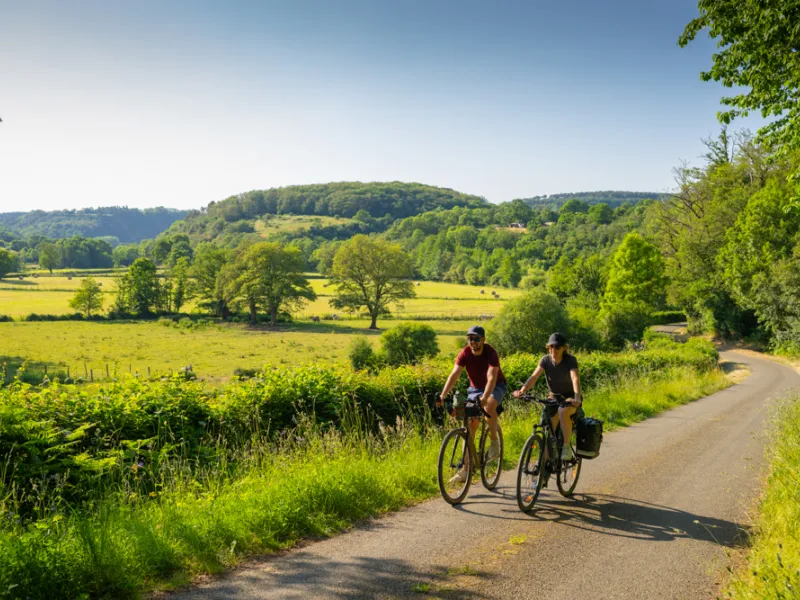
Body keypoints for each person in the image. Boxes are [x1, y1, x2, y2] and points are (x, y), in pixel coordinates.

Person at [438, 325, 507, 482]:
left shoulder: (491, 353)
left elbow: (492, 378)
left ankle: (494, 443)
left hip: (496, 386)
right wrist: (443, 394)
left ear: (483, 340)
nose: (472, 342)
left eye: (476, 339)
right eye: (470, 338)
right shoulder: (465, 353)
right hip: (475, 389)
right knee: (469, 426)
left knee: (489, 405)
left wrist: (485, 397)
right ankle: (466, 469)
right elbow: (454, 374)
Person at [513, 332, 582, 460]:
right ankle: (543, 469)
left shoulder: (570, 360)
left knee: (562, 411)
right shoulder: (545, 360)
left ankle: (566, 447)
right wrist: (522, 391)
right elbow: (534, 377)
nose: (553, 350)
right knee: (548, 432)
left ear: (564, 348)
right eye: (550, 347)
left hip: (570, 397)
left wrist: (577, 397)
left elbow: (575, 378)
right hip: (554, 397)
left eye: (557, 347)